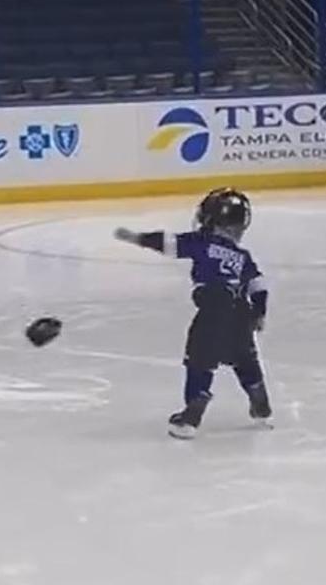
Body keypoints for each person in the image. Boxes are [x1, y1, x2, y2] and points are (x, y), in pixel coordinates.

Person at [114, 187, 271, 438]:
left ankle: (193, 411)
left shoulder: (202, 242)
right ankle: (258, 397)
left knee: (200, 358)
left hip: (213, 308)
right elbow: (258, 284)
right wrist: (260, 311)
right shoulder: (243, 256)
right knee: (244, 357)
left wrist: (136, 238)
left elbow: (168, 243)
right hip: (242, 312)